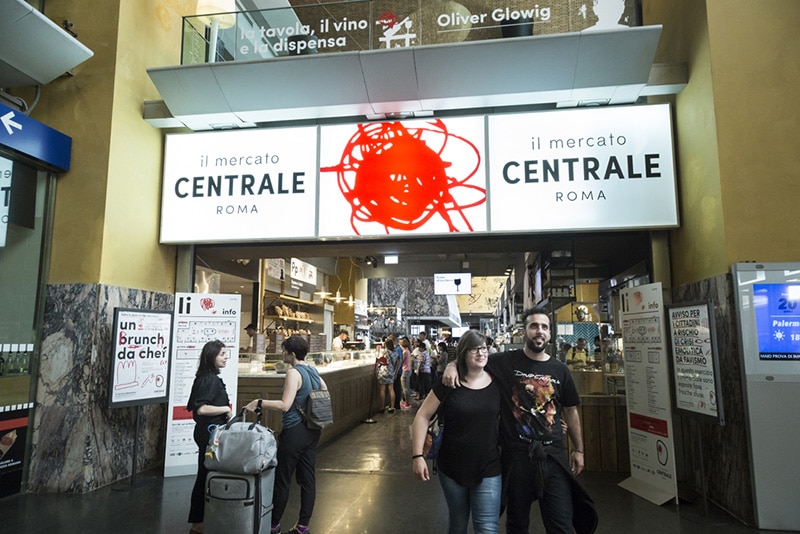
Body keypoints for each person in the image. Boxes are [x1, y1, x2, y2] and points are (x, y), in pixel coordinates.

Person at [443, 307, 597, 534]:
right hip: (517, 458)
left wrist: (579, 450)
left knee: (562, 525)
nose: (539, 331)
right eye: (534, 326)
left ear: (550, 333)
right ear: (524, 331)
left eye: (544, 327)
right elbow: (473, 357)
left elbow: (571, 411)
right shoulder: (505, 361)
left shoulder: (560, 370)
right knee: (516, 524)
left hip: (553, 457)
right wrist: (452, 364)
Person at [412, 330, 502, 534]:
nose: (481, 353)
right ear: (463, 353)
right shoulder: (448, 383)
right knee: (458, 524)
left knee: (487, 528)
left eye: (484, 348)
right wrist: (417, 455)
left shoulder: (497, 382)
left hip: (488, 465)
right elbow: (422, 416)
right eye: (474, 349)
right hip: (451, 466)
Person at [244, 334, 327, 534]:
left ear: (291, 354)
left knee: (283, 478)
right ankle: (303, 526)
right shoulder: (313, 370)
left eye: (284, 351)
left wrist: (259, 402)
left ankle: (273, 524)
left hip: (295, 431)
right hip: (312, 430)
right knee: (307, 479)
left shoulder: (293, 372)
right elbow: (325, 390)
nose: (282, 354)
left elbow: (285, 405)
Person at [186, 340, 233, 534]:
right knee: (205, 475)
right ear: (211, 356)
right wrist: (226, 409)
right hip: (208, 432)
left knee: (206, 474)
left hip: (210, 431)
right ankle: (198, 523)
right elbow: (202, 408)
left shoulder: (207, 377)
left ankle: (201, 521)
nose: (225, 357)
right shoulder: (209, 380)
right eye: (222, 354)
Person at [376, 338, 399, 413]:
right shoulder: (395, 352)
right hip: (391, 371)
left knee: (382, 389)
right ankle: (392, 406)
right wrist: (395, 372)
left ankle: (382, 407)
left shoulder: (384, 352)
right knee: (391, 389)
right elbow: (398, 362)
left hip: (383, 371)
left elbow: (380, 360)